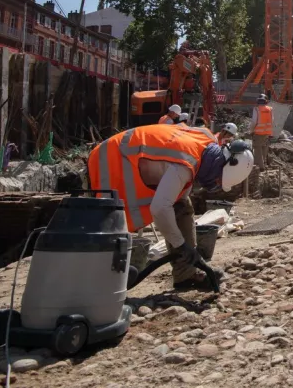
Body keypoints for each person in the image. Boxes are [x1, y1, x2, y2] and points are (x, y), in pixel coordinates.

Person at [88, 124, 254, 290]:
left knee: (181, 205)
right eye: (218, 179)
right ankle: (97, 284)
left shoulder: (206, 141)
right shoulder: (185, 165)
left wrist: (185, 247)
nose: (215, 183)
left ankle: (185, 275)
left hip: (126, 154)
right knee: (108, 222)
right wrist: (181, 245)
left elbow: (177, 197)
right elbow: (160, 209)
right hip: (110, 159)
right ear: (220, 165)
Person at [251, 94, 273, 171]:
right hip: (267, 132)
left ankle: (260, 167)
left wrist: (251, 131)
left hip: (258, 133)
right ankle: (263, 163)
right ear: (266, 101)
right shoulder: (270, 109)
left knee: (257, 149)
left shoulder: (256, 109)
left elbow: (254, 122)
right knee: (264, 148)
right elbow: (272, 120)